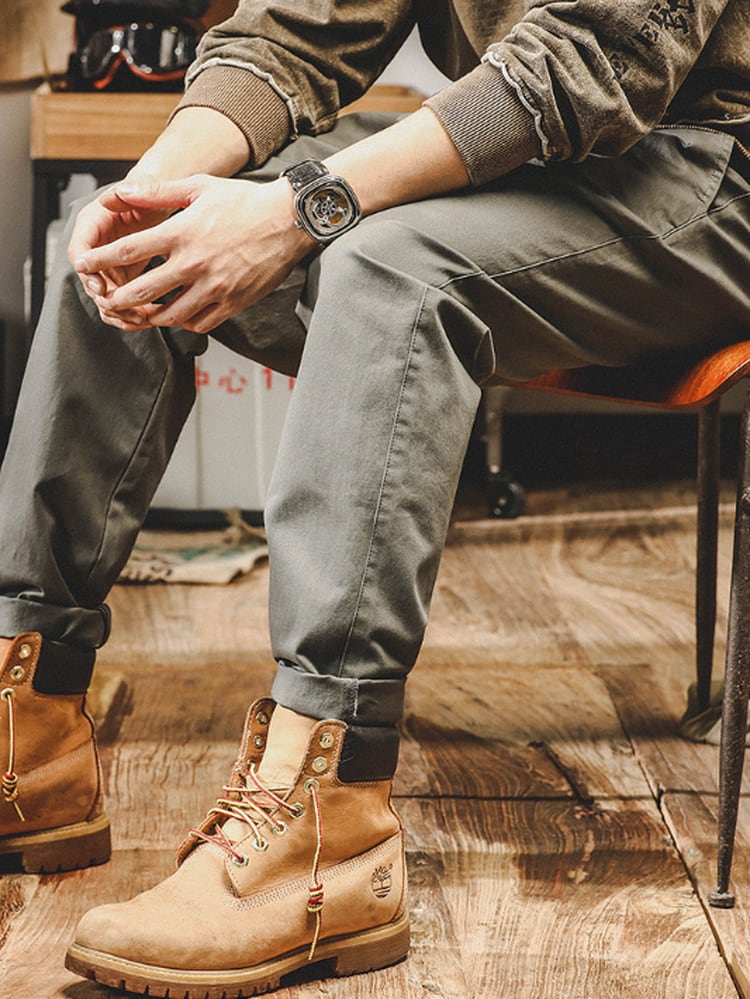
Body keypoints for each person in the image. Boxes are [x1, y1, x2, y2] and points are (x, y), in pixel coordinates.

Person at [1, 0, 749, 994]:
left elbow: (588, 61)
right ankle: (29, 727)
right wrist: (152, 191)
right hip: (539, 154)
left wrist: (299, 207)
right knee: (146, 231)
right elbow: (296, 26)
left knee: (391, 271)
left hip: (711, 167)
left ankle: (327, 812)